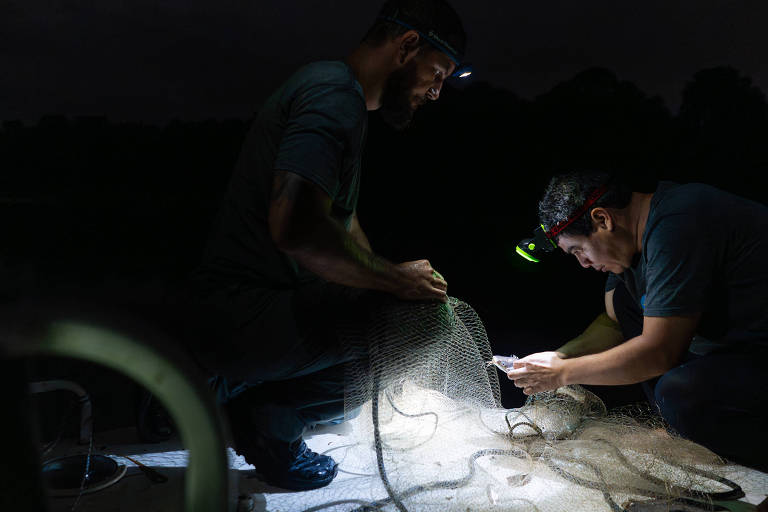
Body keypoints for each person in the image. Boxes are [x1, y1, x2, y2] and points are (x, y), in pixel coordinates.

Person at [184, 0, 468, 491]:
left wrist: (389, 281)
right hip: (240, 315)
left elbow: (342, 219)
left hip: (252, 312)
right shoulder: (332, 94)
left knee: (401, 304)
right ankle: (259, 415)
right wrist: (397, 281)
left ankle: (247, 396)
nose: (437, 92)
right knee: (425, 322)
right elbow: (294, 229)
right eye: (438, 73)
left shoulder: (343, 97)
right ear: (407, 46)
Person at [508, 171, 768, 470]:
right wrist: (560, 355)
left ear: (603, 219)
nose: (583, 263)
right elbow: (614, 322)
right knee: (624, 302)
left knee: (679, 393)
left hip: (759, 353)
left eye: (578, 250)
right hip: (731, 352)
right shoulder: (626, 249)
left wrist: (562, 373)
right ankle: (682, 425)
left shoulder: (679, 222)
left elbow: (659, 353)